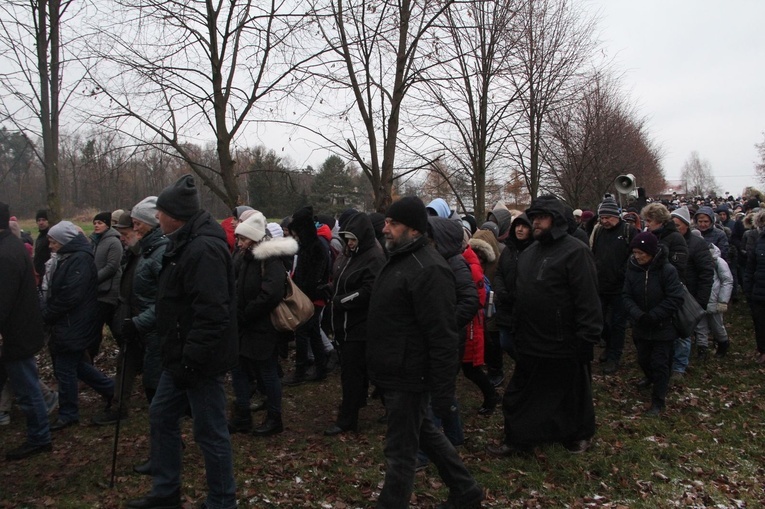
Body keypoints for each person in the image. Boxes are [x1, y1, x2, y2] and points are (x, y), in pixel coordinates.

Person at [126, 174, 237, 509]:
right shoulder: (183, 242)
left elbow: (213, 314)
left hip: (200, 360)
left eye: (160, 213)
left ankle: (222, 501)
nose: (156, 218)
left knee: (210, 432)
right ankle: (166, 491)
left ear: (175, 215)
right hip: (179, 356)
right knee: (161, 415)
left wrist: (191, 359)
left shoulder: (203, 249)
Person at [366, 196, 483, 509]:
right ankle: (466, 490)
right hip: (395, 370)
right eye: (386, 222)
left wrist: (443, 392)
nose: (385, 229)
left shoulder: (429, 269)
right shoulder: (400, 259)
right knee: (423, 432)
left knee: (400, 453)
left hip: (411, 374)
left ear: (414, 229)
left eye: (393, 223)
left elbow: (443, 335)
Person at [488, 195, 602, 456]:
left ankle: (578, 435)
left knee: (572, 393)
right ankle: (519, 439)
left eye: (542, 217)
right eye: (534, 217)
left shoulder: (575, 251)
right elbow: (522, 295)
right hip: (530, 338)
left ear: (557, 220)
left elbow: (587, 299)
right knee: (521, 393)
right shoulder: (529, 253)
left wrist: (588, 337)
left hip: (565, 341)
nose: (535, 222)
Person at [230, 211, 297, 437]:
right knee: (238, 369)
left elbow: (270, 294)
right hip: (244, 325)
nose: (238, 243)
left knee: (267, 372)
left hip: (263, 327)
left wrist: (246, 313)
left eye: (242, 238)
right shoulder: (246, 258)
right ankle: (242, 415)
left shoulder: (270, 260)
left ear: (254, 238)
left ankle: (274, 417)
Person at [42, 221, 115, 431]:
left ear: (64, 240)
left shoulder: (79, 260)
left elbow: (69, 295)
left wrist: (48, 313)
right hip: (70, 322)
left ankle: (68, 413)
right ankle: (112, 391)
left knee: (65, 369)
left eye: (53, 241)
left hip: (73, 322)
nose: (50, 245)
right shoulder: (70, 258)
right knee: (77, 366)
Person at [324, 212, 385, 436]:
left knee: (353, 374)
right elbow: (344, 279)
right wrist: (331, 289)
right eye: (347, 238)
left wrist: (343, 300)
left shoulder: (374, 256)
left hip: (360, 327)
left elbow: (370, 290)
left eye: (353, 239)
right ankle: (357, 406)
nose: (349, 243)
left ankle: (348, 419)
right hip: (345, 324)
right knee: (357, 373)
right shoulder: (350, 254)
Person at [0, 202, 52, 460]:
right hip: (20, 330)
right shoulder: (12, 246)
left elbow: (3, 299)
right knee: (26, 386)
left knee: (27, 389)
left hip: (15, 333)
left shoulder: (6, 254)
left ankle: (40, 437)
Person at [622, 231, 684, 416]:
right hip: (640, 324)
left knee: (660, 363)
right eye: (635, 252)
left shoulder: (667, 270)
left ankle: (658, 399)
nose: (638, 256)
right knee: (643, 359)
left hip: (662, 326)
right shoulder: (632, 269)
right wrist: (637, 314)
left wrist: (655, 315)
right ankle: (650, 378)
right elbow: (626, 295)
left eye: (642, 253)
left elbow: (675, 298)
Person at [282, 206, 330, 385]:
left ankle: (301, 371)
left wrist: (297, 288)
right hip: (309, 296)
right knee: (313, 332)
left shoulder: (316, 247)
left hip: (312, 298)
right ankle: (320, 367)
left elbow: (314, 277)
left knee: (303, 332)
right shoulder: (307, 246)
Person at [590, 195, 637, 374]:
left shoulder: (628, 232)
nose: (605, 221)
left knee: (618, 324)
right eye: (602, 217)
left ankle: (614, 357)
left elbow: (635, 256)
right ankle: (608, 347)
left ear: (617, 216)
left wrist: (623, 274)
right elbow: (595, 253)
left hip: (621, 287)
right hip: (601, 286)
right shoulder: (600, 231)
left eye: (608, 217)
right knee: (601, 322)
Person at [669, 207, 713, 378]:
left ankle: (679, 366)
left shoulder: (697, 244)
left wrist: (701, 299)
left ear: (686, 226)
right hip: (672, 292)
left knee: (683, 331)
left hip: (690, 294)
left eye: (677, 225)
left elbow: (706, 272)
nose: (674, 228)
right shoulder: (668, 241)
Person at [89, 211, 123, 361]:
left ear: (107, 224)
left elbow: (112, 266)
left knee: (113, 328)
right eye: (95, 223)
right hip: (98, 292)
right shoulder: (96, 241)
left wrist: (93, 279)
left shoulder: (114, 242)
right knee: (96, 328)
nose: (96, 225)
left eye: (100, 223)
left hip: (109, 292)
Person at [699, 243, 733, 358]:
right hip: (701, 299)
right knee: (700, 326)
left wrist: (723, 300)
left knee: (717, 325)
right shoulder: (698, 258)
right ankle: (702, 348)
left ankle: (723, 344)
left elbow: (727, 281)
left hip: (715, 299)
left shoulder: (719, 262)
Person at [34, 209, 52, 283]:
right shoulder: (40, 237)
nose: (41, 223)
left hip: (46, 275)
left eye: (44, 220)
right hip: (39, 275)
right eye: (39, 220)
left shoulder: (50, 236)